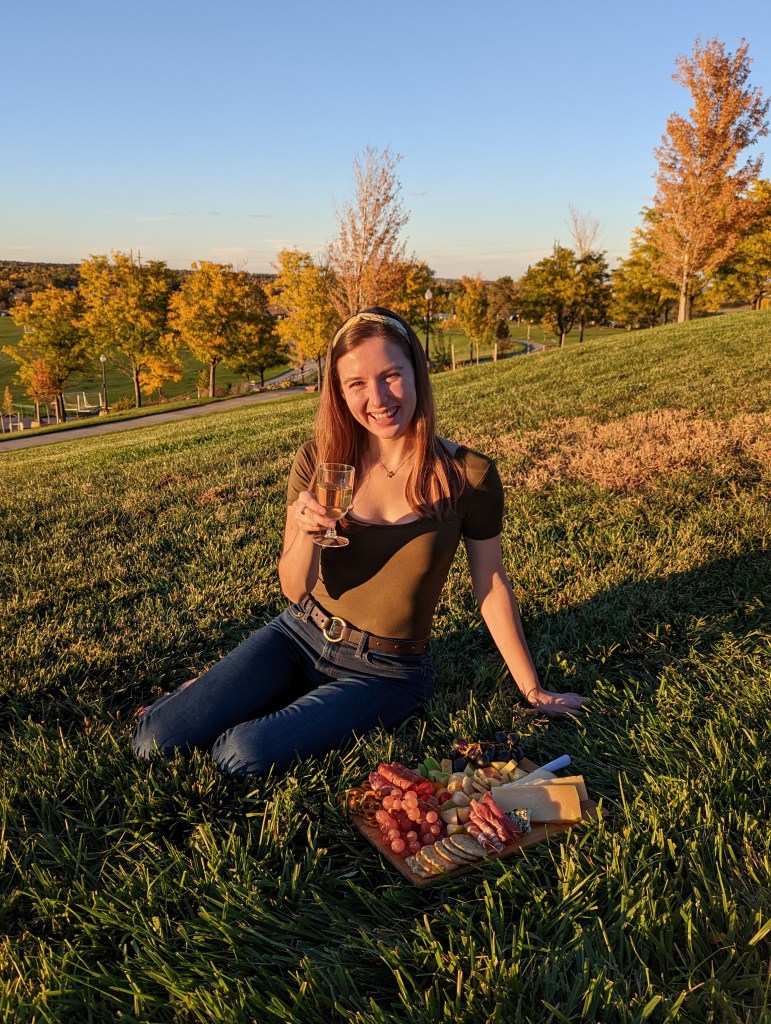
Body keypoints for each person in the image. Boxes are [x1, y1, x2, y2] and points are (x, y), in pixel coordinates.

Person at [132, 308, 585, 776]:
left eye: (391, 376)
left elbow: (490, 584)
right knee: (153, 741)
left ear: (417, 372)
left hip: (385, 671)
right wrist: (307, 533)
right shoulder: (318, 462)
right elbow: (294, 589)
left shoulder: (469, 475)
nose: (378, 399)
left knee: (239, 754)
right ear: (339, 391)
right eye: (357, 384)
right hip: (299, 634)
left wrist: (532, 689)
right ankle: (220, 691)